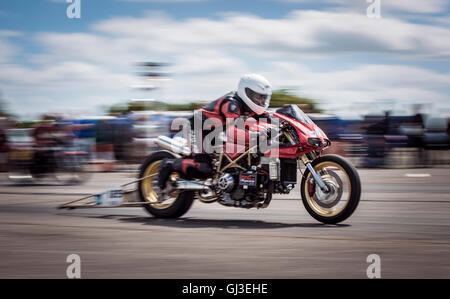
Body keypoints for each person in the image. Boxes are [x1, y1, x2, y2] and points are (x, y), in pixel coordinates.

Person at [158, 74, 272, 190]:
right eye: (258, 97)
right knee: (203, 168)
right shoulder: (232, 103)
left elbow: (271, 118)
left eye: (264, 97)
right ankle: (168, 165)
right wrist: (255, 136)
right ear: (247, 92)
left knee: (228, 160)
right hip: (198, 127)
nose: (261, 100)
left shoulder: (253, 107)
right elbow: (232, 132)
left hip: (216, 132)